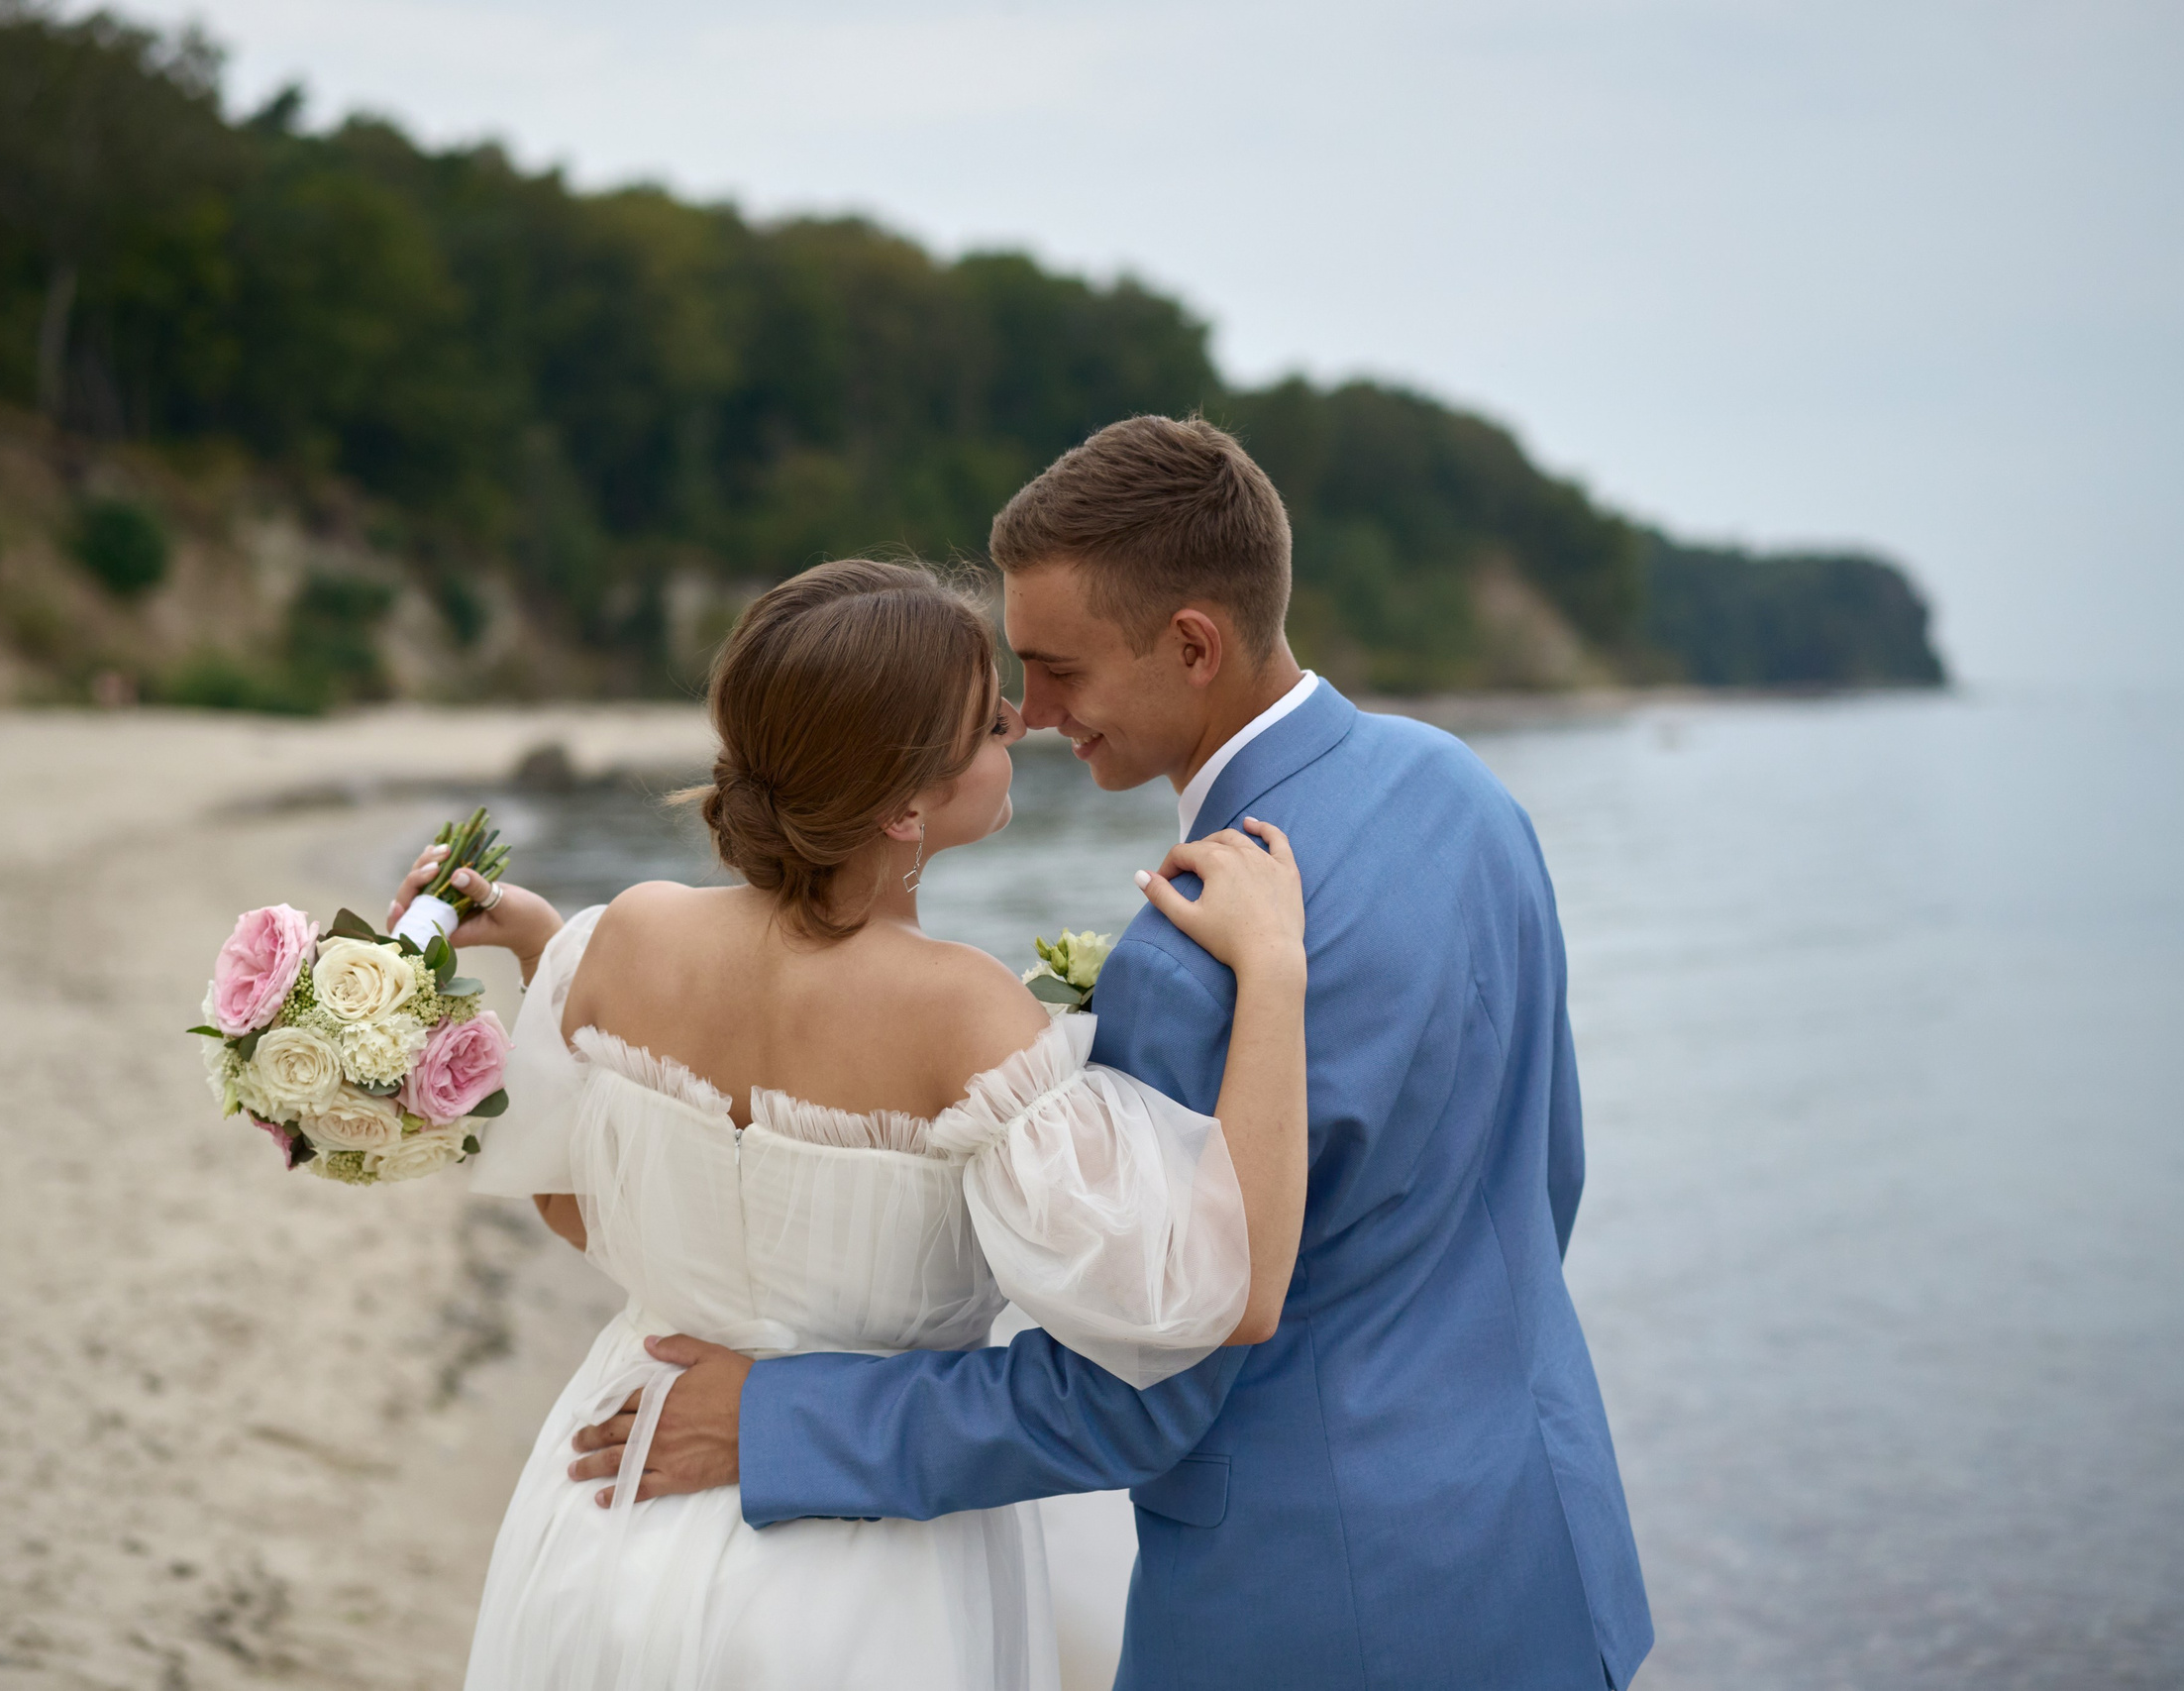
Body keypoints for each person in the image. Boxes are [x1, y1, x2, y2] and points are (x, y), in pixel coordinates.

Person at [580, 417, 1654, 1689]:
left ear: (1192, 645)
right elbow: (1543, 1172)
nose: (1032, 715)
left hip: (1309, 1608)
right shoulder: (1457, 790)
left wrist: (780, 1417)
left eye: (1056, 670)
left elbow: (1133, 1395)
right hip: (1543, 1541)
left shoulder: (1190, 965)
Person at [387, 557, 1311, 1688]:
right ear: (903, 808)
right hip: (857, 1572)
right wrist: (1274, 971)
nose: (1022, 723)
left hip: (604, 1508)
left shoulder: (625, 938)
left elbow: (576, 1207)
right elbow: (1226, 1293)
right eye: (989, 722)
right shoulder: (962, 1012)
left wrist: (544, 944)